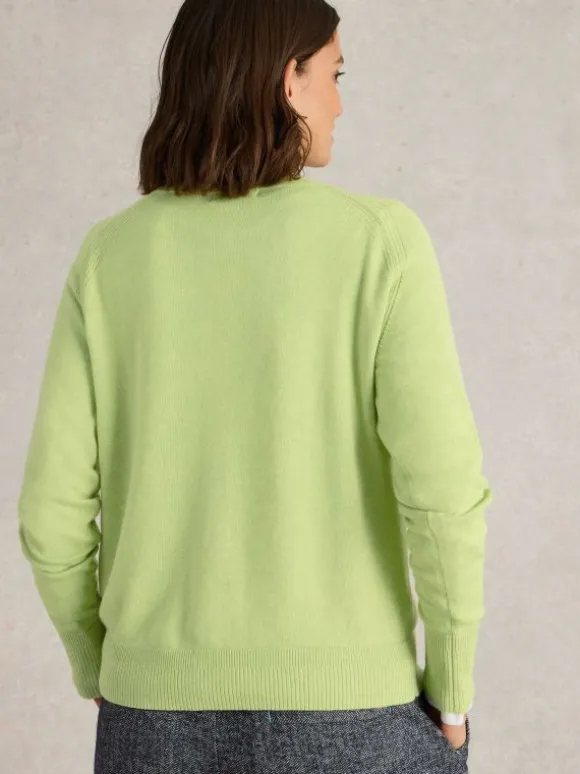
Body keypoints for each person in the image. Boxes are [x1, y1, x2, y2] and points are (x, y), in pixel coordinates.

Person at [16, 0, 493, 772]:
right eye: (334, 75)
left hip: (152, 723)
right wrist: (454, 686)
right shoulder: (380, 244)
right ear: (287, 81)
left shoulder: (110, 258)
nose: (339, 103)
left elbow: (51, 517)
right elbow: (443, 494)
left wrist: (102, 663)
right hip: (354, 717)